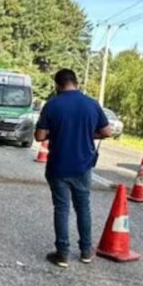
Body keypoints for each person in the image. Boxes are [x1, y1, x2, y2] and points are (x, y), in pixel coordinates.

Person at [35, 69, 112, 268]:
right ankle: (86, 251)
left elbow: (40, 136)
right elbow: (107, 132)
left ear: (58, 85)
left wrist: (57, 132)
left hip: (58, 165)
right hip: (83, 166)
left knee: (62, 208)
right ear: (76, 83)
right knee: (83, 207)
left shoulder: (52, 105)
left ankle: (62, 254)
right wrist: (88, 133)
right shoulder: (92, 104)